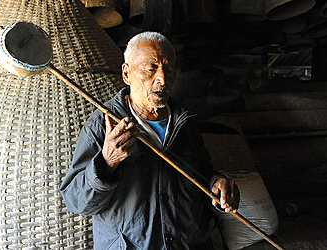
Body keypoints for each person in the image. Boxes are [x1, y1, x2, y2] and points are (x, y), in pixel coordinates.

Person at [60, 31, 240, 250]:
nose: (162, 79)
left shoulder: (185, 123)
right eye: (151, 68)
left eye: (169, 69)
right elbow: (76, 201)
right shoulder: (102, 124)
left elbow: (202, 175)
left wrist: (217, 184)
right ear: (126, 74)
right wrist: (107, 161)